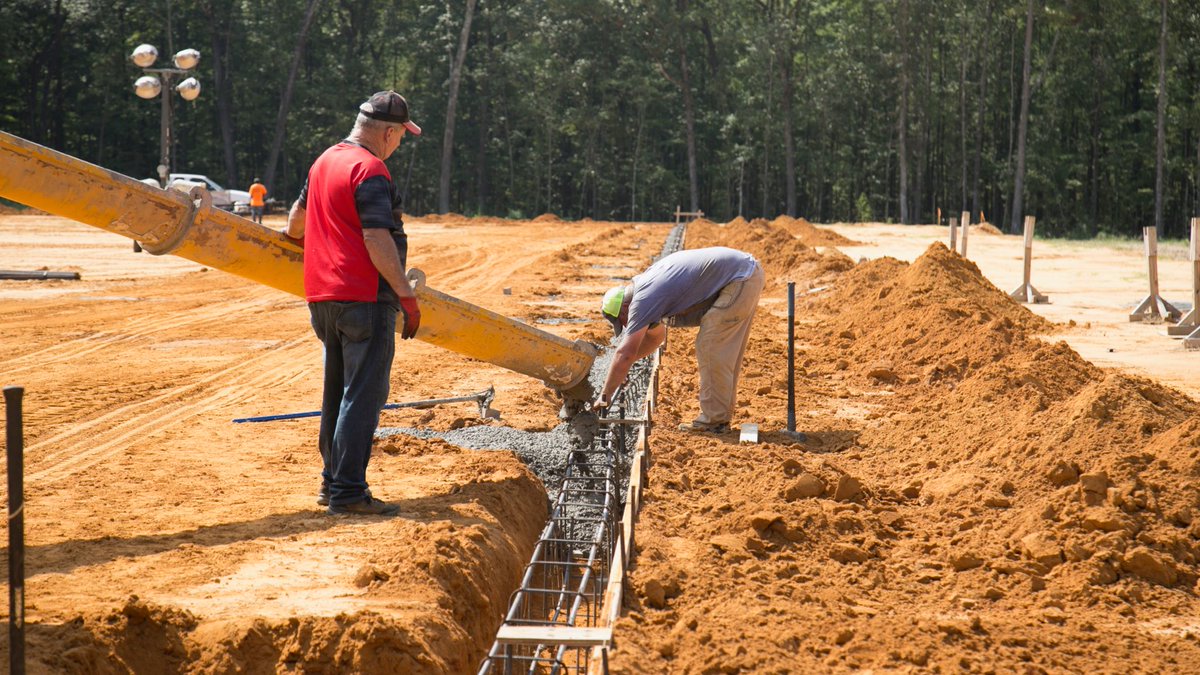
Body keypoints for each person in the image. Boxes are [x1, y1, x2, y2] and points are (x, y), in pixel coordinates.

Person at [285, 90, 423, 516]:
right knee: (364, 396)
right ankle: (347, 492)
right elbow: (377, 237)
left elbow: (294, 225)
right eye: (401, 135)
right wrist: (406, 296)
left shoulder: (324, 162)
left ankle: (331, 484)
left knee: (338, 393)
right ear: (387, 132)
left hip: (323, 299)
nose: (399, 144)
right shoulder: (370, 169)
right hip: (365, 297)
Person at [592, 246, 765, 434]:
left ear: (625, 308)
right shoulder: (646, 290)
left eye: (622, 321)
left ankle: (714, 422)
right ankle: (719, 418)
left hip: (740, 278)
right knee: (721, 350)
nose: (626, 326)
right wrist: (623, 369)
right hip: (744, 274)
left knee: (710, 346)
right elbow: (656, 338)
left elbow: (625, 353)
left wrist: (605, 395)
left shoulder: (642, 300)